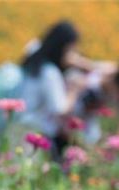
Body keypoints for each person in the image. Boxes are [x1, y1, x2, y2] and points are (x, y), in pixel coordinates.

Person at [17, 20, 88, 159]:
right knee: (27, 168)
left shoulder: (34, 54)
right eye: (70, 50)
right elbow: (59, 109)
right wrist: (74, 90)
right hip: (34, 131)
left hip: (19, 124)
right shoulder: (50, 72)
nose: (72, 55)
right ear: (62, 48)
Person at [71, 62, 119, 144]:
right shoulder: (97, 76)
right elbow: (72, 60)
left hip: (85, 122)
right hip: (69, 112)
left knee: (93, 138)